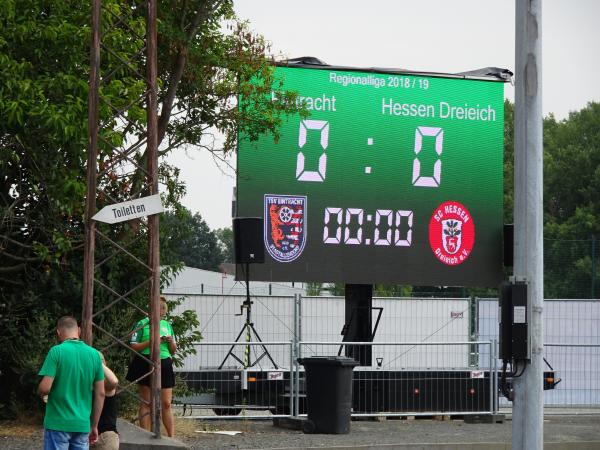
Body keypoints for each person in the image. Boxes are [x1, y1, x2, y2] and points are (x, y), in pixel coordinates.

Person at [38, 316, 105, 450]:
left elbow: (45, 388)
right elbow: (101, 393)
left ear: (58, 332)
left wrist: (40, 391)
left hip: (57, 423)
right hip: (82, 424)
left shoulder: (56, 351)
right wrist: (94, 425)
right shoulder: (94, 355)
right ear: (79, 331)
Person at [125, 296, 177, 436]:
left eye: (164, 311)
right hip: (144, 361)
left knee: (166, 403)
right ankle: (145, 435)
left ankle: (171, 437)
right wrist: (152, 341)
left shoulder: (167, 325)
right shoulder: (142, 323)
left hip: (165, 361)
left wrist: (171, 341)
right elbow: (133, 346)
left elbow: (173, 350)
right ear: (153, 310)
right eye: (161, 310)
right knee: (147, 401)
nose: (163, 314)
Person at [91, 352, 119, 450]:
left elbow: (114, 381)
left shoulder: (105, 385)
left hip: (106, 436)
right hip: (86, 434)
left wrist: (98, 363)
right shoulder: (86, 382)